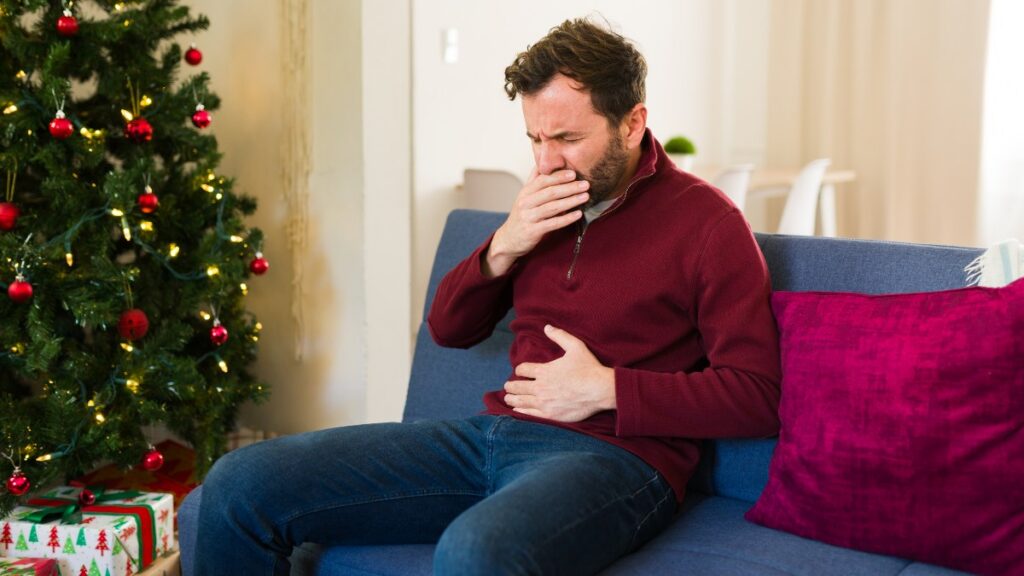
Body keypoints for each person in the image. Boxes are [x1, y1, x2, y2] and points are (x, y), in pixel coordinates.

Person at [194, 17, 781, 575]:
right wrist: (506, 243)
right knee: (239, 484)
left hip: (618, 460)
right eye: (535, 138)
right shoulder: (541, 205)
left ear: (631, 124)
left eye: (568, 138)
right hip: (489, 437)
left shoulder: (708, 225)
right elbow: (448, 328)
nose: (547, 161)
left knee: (477, 552)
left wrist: (607, 388)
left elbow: (758, 394)